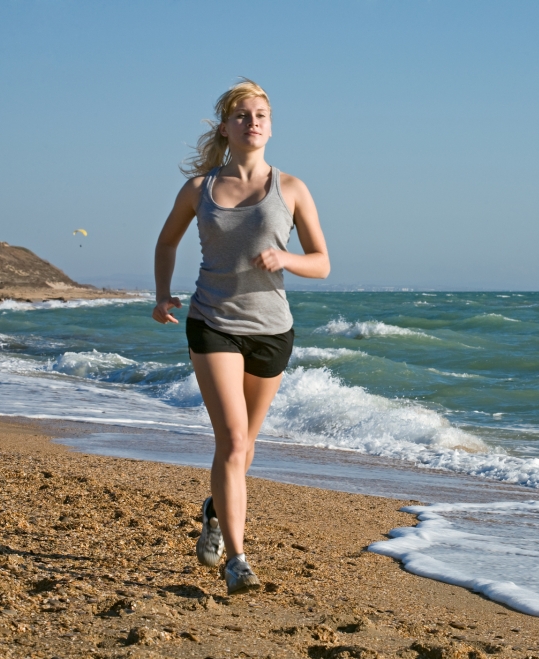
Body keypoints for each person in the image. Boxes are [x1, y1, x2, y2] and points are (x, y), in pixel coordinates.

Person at [151, 79, 330, 595]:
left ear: (270, 126)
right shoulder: (200, 189)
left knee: (246, 448)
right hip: (212, 322)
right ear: (226, 128)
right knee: (230, 442)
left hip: (272, 330)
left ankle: (213, 507)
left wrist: (286, 259)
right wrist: (163, 295)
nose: (254, 122)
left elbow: (322, 262)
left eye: (261, 115)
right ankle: (238, 560)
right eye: (243, 116)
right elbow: (166, 241)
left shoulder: (292, 188)